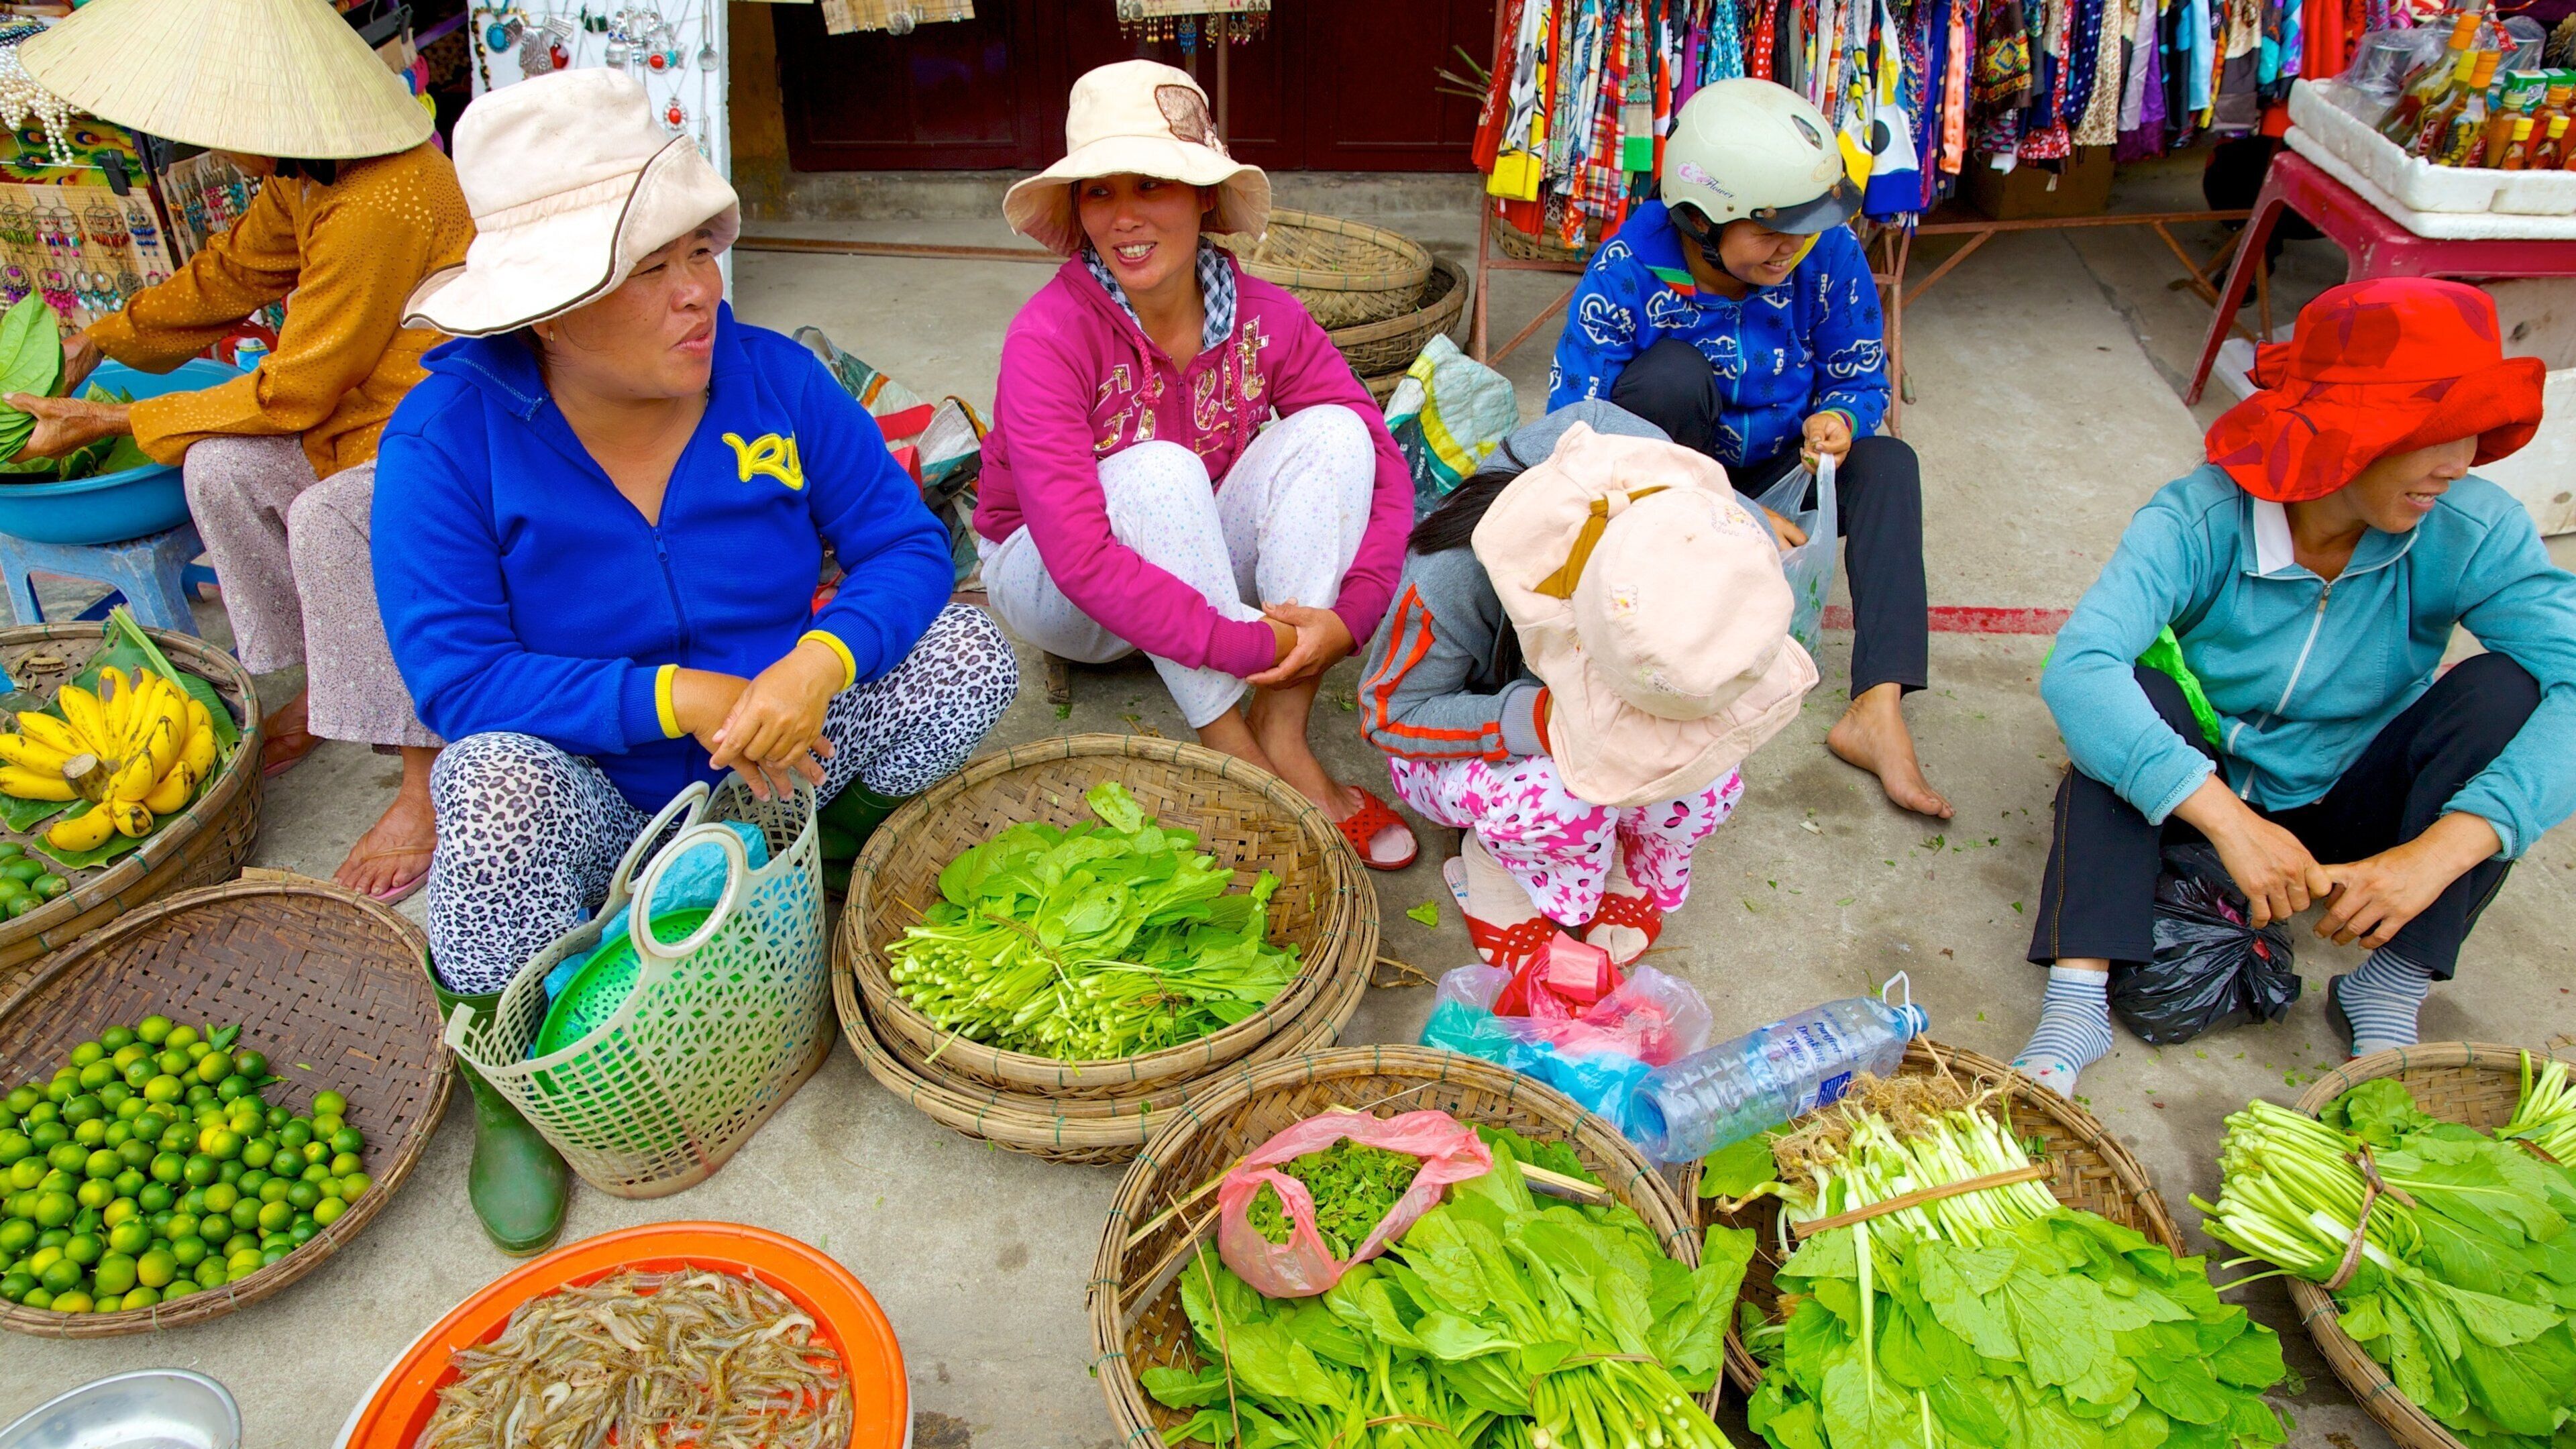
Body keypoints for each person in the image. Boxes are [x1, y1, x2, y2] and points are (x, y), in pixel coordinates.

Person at [374, 70, 1016, 1252]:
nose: (698, 294)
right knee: (489, 785)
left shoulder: (772, 378)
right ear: (551, 310)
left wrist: (819, 662)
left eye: (697, 252)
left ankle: (811, 880)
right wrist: (668, 693)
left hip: (781, 764)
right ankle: (510, 1080)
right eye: (650, 270)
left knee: (967, 654)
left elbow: (903, 545)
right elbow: (457, 677)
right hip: (592, 789)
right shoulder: (447, 438)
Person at [2013, 279, 2576, 1097]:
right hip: (2201, 801)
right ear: (2348, 435)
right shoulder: (2201, 517)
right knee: (2128, 693)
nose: (2460, 464)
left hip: (2354, 805)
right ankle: (2077, 998)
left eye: (2471, 433)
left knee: (2507, 691)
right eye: (2438, 434)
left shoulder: (2473, 529)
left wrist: (2432, 858)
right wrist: (2226, 819)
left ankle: (2393, 981)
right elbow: (2078, 668)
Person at [7, 0, 472, 901]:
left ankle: (422, 781)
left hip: (443, 436)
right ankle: (330, 687)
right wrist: (98, 341)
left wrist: (110, 422)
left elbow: (293, 388)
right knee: (215, 465)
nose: (216, 151)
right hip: (350, 423)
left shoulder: (384, 196)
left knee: (328, 518)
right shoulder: (305, 180)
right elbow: (232, 275)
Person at [977, 60, 1419, 869]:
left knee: (1337, 431)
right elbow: (1078, 554)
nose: (1124, 218)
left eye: (1152, 184)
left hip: (1189, 562)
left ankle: (1282, 731)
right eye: (1099, 193)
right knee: (1158, 469)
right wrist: (1248, 646)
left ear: (1204, 197)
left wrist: (1345, 620)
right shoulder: (1049, 338)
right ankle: (1232, 751)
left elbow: (1382, 465)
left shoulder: (1268, 318)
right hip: (1055, 586)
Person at [1547, 77, 1949, 820]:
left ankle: (1877, 706)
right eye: (1769, 233)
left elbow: (1860, 369)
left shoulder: (1822, 253)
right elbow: (1574, 433)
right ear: (1701, 220)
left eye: (1804, 230)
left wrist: (1842, 417)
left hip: (1779, 467)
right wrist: (1723, 509)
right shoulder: (1627, 272)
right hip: (1660, 492)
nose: (1790, 250)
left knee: (1891, 465)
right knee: (1670, 378)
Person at [1358, 406, 1816, 968]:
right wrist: (1538, 719)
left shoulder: (1705, 523)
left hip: (1553, 714)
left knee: (1708, 777)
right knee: (1555, 798)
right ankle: (1494, 864)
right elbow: (1388, 714)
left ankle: (1624, 851)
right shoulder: (1453, 574)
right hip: (1471, 732)